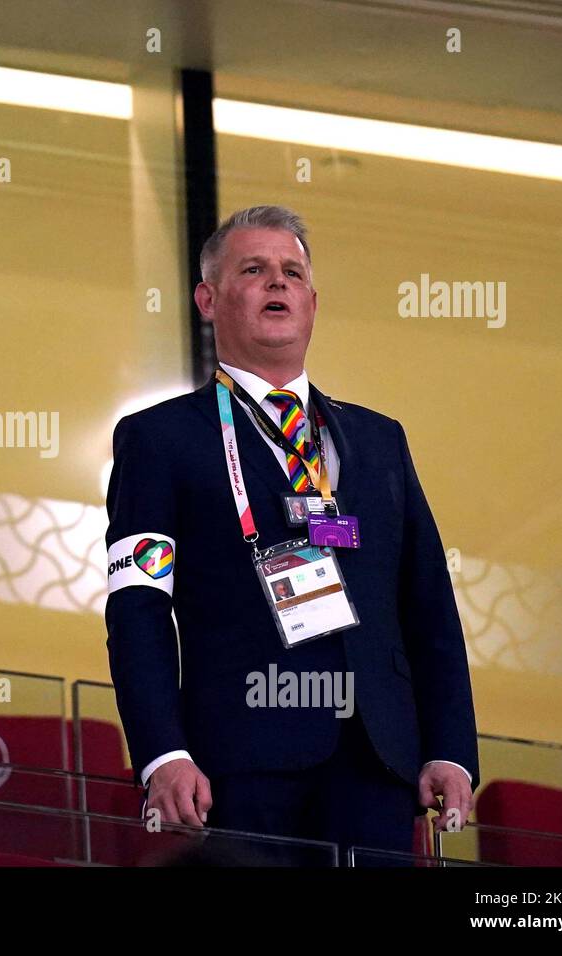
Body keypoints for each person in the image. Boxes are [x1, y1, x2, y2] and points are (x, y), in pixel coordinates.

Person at [104, 204, 477, 858]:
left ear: (312, 301)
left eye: (291, 272)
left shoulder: (379, 440)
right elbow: (139, 607)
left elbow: (429, 610)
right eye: (253, 269)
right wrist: (163, 752)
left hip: (378, 760)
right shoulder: (160, 439)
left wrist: (451, 749)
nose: (278, 283)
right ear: (208, 298)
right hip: (241, 759)